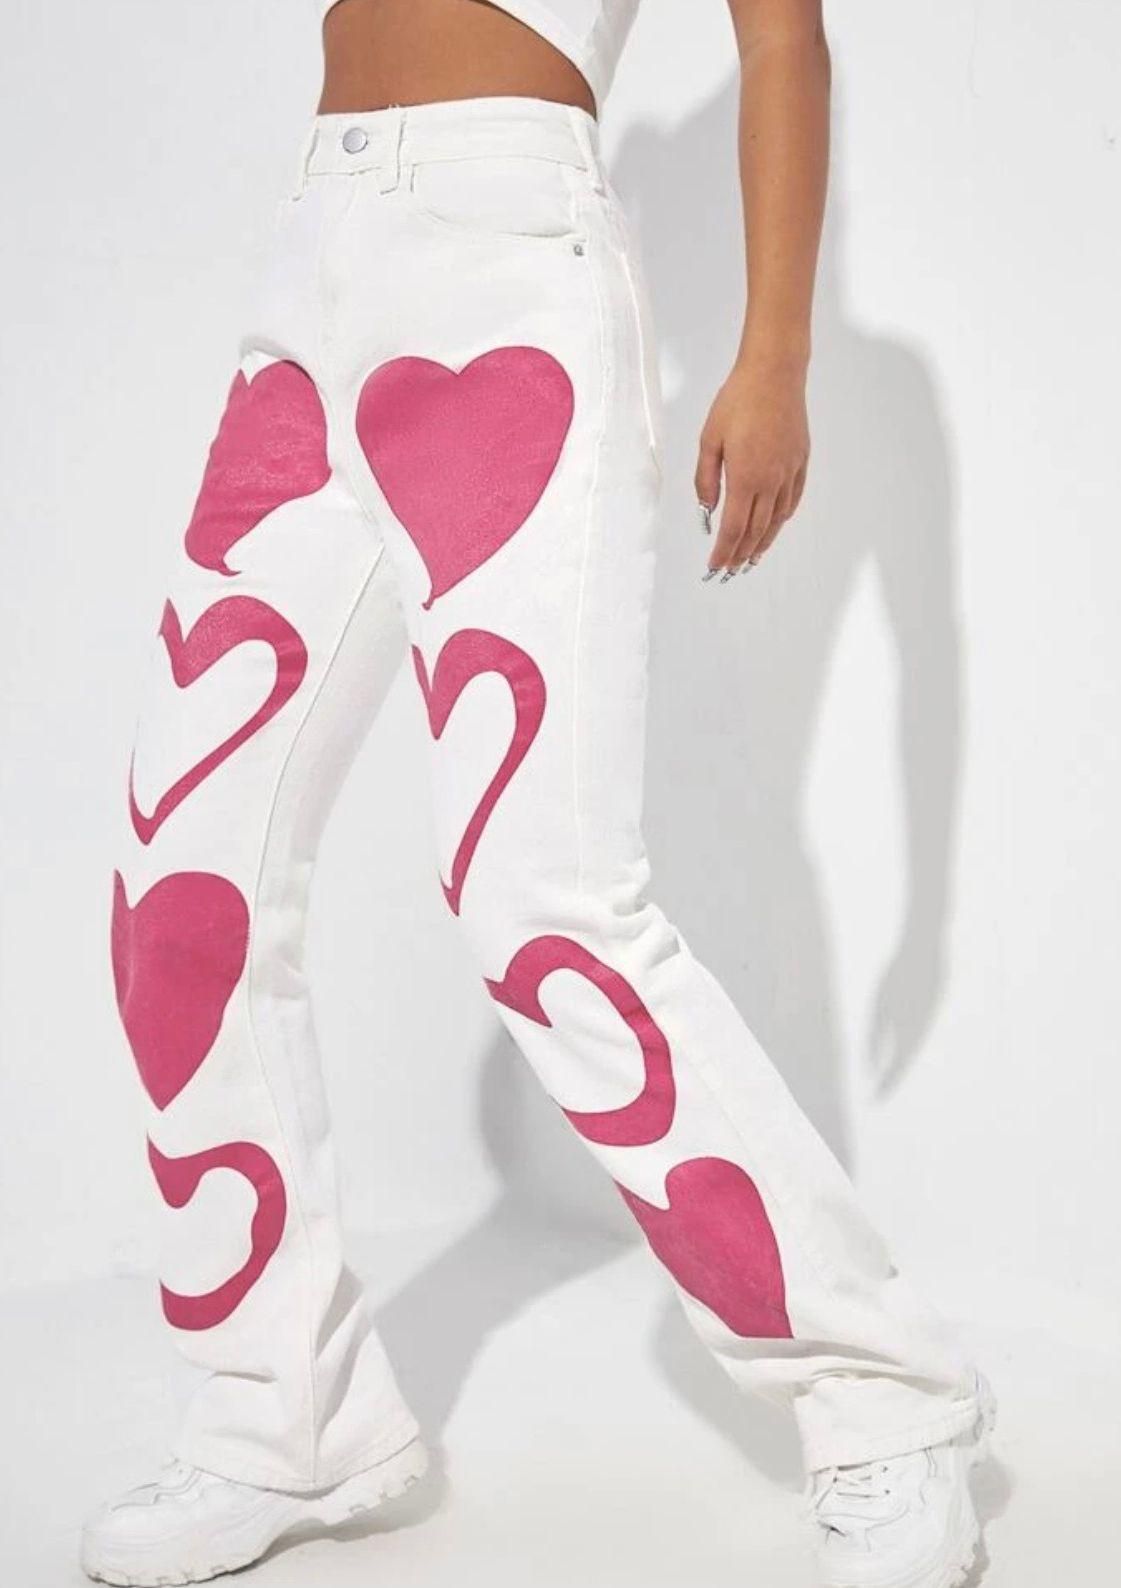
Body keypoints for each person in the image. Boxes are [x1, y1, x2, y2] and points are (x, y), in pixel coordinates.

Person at [81, 2, 996, 1585]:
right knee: (181, 896)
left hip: (504, 260)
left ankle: (884, 1397)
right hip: (312, 268)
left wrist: (774, 352)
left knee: (541, 904)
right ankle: (283, 1419)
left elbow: (783, 39)